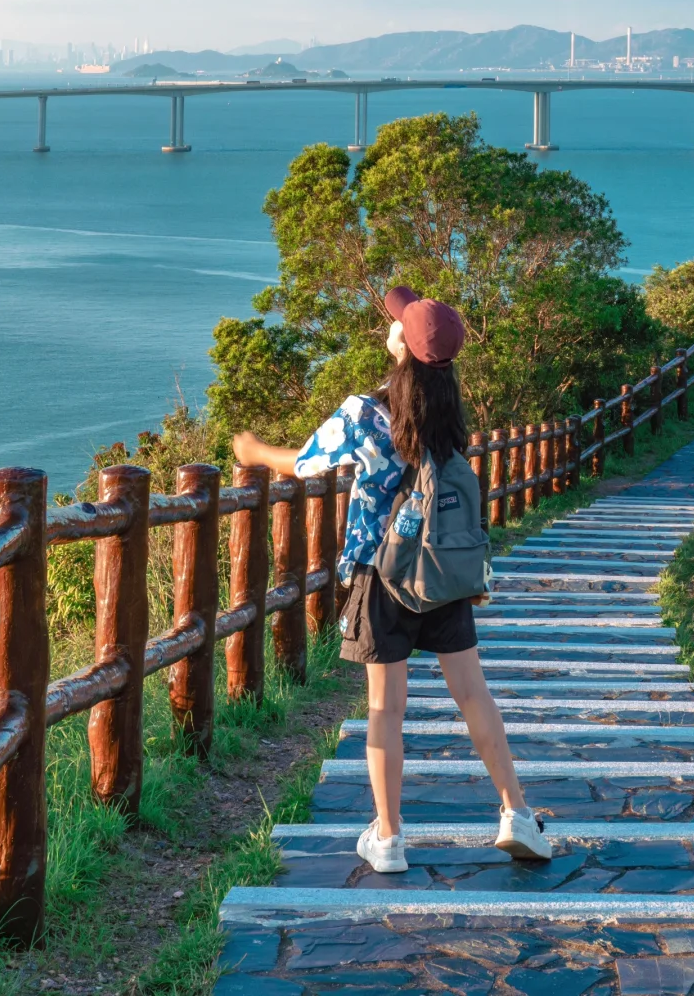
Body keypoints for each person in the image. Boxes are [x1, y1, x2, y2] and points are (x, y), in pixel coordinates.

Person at [231, 285, 552, 873]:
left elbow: (307, 462)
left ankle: (389, 836)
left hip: (381, 576)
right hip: (443, 572)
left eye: (395, 323)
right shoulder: (448, 414)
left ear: (402, 342)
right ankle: (517, 814)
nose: (388, 327)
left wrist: (252, 450)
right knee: (473, 693)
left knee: (386, 709)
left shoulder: (365, 412)